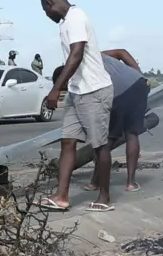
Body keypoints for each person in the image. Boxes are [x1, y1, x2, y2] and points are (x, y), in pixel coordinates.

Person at [38, 0, 115, 212]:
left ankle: (105, 197)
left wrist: (55, 89)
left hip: (95, 91)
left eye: (45, 11)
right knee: (68, 141)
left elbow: (76, 54)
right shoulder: (66, 21)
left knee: (99, 146)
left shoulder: (76, 17)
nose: (46, 16)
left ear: (50, 3)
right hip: (77, 91)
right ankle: (61, 196)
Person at [57, 48, 148, 194]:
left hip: (123, 89)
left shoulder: (82, 72)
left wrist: (138, 73)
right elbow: (121, 52)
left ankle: (96, 182)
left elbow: (121, 52)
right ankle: (129, 183)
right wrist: (138, 74)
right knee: (128, 134)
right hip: (134, 84)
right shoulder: (92, 56)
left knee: (108, 139)